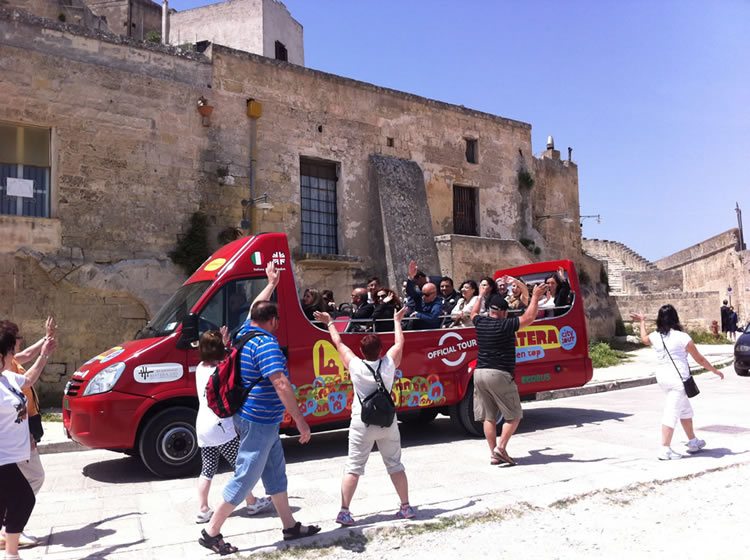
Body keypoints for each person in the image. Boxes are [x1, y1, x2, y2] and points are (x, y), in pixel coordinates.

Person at [198, 261, 319, 555]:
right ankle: (211, 532)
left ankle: (289, 526)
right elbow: (280, 383)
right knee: (247, 475)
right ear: (274, 321)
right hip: (259, 420)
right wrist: (302, 422)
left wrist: (272, 284)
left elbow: (256, 305)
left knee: (275, 472)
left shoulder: (244, 333)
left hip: (255, 418)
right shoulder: (266, 344)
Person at [313, 306, 416, 525]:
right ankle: (405, 507)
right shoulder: (389, 364)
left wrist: (329, 322)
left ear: (361, 351)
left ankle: (344, 511)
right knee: (395, 464)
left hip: (362, 421)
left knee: (354, 467)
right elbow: (400, 344)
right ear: (381, 349)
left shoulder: (356, 366)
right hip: (388, 422)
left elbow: (338, 343)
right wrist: (397, 321)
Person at [193, 329, 272, 525]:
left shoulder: (200, 368)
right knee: (242, 466)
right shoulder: (219, 370)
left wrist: (223, 344)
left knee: (207, 469)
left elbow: (224, 359)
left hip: (202, 425)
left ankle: (203, 509)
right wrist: (228, 345)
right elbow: (231, 362)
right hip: (220, 426)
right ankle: (252, 502)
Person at [631, 306, 724, 460]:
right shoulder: (682, 337)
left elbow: (644, 339)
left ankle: (693, 442)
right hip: (678, 380)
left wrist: (642, 321)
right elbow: (699, 359)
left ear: (659, 319)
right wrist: (715, 370)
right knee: (671, 412)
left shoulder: (655, 336)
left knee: (685, 410)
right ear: (675, 318)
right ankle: (665, 449)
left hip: (662, 379)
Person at [470, 282, 546, 465]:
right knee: (514, 415)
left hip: (479, 373)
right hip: (499, 373)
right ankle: (501, 448)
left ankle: (493, 454)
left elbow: (472, 313)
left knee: (488, 417)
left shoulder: (480, 322)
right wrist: (535, 296)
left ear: (489, 311)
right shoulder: (505, 325)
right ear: (504, 313)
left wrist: (480, 295)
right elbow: (528, 318)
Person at [1, 321, 56, 560]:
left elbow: (30, 378)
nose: (15, 356)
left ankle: (11, 551)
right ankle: (12, 554)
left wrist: (44, 355)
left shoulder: (9, 379)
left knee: (14, 501)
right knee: (22, 499)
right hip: (3, 459)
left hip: (16, 454)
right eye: (11, 352)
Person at [405, 260, 443, 330]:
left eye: (427, 295)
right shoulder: (420, 298)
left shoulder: (437, 303)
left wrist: (418, 314)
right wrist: (411, 277)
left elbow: (433, 318)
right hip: (416, 329)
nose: (423, 297)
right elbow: (410, 291)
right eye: (423, 294)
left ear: (434, 294)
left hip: (430, 332)